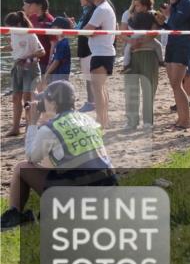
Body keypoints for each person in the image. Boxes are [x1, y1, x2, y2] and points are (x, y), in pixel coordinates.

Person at [0, 81, 116, 231]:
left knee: (21, 168)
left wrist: (33, 122)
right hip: (108, 191)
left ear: (53, 104)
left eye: (44, 100)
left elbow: (31, 157)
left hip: (81, 200)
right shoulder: (88, 120)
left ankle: (15, 215)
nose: (42, 103)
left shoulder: (51, 129)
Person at [155, 0, 190, 130]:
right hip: (173, 44)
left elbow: (177, 23)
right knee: (175, 85)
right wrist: (162, 22)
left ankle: (186, 120)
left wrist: (167, 17)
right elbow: (171, 27)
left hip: (182, 45)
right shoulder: (177, 3)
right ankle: (181, 119)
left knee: (177, 84)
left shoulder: (186, 2)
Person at [3, 11, 44, 137]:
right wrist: (3, 48)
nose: (9, 29)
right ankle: (15, 128)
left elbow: (41, 52)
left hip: (30, 68)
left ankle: (30, 127)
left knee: (28, 98)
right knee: (16, 98)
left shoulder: (30, 34)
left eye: (10, 26)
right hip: (17, 67)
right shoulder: (13, 34)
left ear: (19, 24)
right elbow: (15, 47)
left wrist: (28, 58)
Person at [82, 0, 116, 128]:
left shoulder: (101, 9)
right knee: (101, 88)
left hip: (102, 53)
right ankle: (104, 120)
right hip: (104, 52)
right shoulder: (104, 7)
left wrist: (89, 31)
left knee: (98, 89)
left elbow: (85, 31)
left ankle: (101, 121)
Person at [122, 0, 159, 130]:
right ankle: (132, 121)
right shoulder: (128, 14)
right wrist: (132, 42)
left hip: (148, 53)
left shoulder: (153, 14)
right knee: (131, 88)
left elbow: (155, 32)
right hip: (132, 54)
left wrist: (140, 42)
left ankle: (148, 121)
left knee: (148, 88)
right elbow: (122, 32)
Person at [75, 0, 96, 112]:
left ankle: (91, 102)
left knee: (90, 77)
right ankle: (91, 101)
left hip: (88, 48)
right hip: (83, 47)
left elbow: (85, 30)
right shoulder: (85, 12)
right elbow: (80, 29)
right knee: (87, 76)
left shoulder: (91, 11)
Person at [41, 17, 74, 87]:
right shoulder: (59, 42)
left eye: (53, 27)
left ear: (60, 28)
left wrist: (46, 73)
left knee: (58, 95)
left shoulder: (62, 43)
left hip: (60, 75)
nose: (51, 29)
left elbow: (56, 62)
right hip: (57, 75)